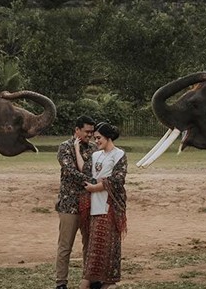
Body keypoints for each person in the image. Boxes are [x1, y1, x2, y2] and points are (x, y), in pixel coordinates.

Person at [76, 122, 127, 289]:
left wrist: (97, 186)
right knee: (94, 252)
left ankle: (106, 282)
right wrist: (77, 150)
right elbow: (86, 172)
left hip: (110, 209)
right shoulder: (96, 155)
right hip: (94, 208)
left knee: (109, 249)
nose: (96, 141)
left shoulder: (119, 155)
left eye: (99, 138)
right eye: (95, 138)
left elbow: (117, 180)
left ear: (108, 137)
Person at [55, 115, 98, 289]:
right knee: (65, 246)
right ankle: (61, 282)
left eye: (92, 132)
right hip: (69, 203)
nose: (90, 135)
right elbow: (71, 171)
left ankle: (89, 279)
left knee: (89, 244)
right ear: (77, 130)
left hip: (90, 202)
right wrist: (95, 182)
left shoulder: (95, 148)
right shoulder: (65, 148)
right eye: (87, 131)